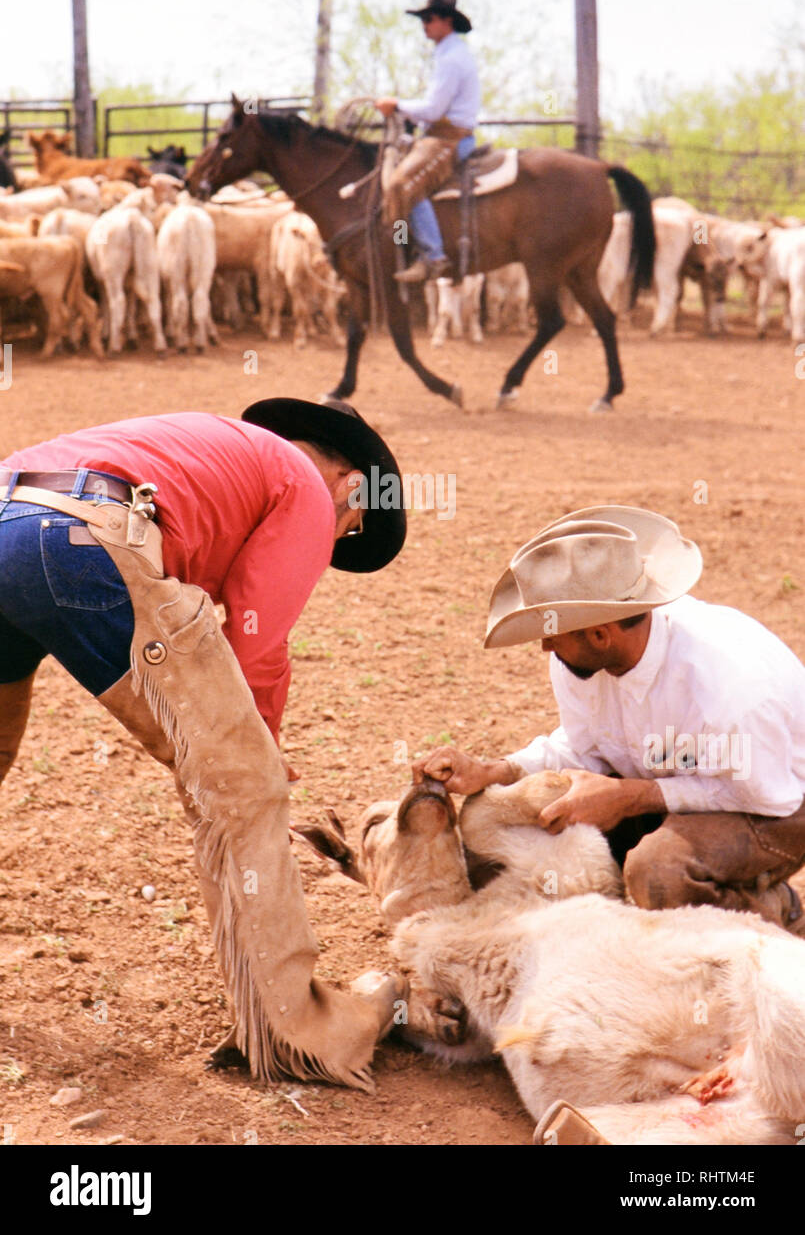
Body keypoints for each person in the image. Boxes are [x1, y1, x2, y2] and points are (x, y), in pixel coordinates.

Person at [0, 398, 407, 1089]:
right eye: (351, 526)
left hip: (12, 515)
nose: (333, 540)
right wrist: (262, 750)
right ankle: (293, 1033)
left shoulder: (212, 454)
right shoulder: (307, 488)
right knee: (241, 783)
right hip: (84, 542)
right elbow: (256, 636)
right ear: (350, 485)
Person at [413, 504, 805, 933]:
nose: (545, 648)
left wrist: (630, 797)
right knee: (505, 828)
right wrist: (496, 770)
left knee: (658, 873)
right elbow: (588, 745)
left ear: (599, 635)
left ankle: (769, 912)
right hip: (670, 783)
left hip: (774, 807)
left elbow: (767, 797)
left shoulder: (730, 686)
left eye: (551, 635)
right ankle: (642, 929)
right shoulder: (583, 660)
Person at [375, 0, 481, 282]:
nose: (424, 24)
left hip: (449, 138)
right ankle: (404, 246)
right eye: (422, 18)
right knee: (395, 177)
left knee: (400, 185)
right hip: (439, 135)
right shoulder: (449, 54)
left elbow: (433, 110)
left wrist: (396, 105)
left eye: (429, 18)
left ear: (446, 21)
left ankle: (433, 256)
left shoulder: (451, 60)